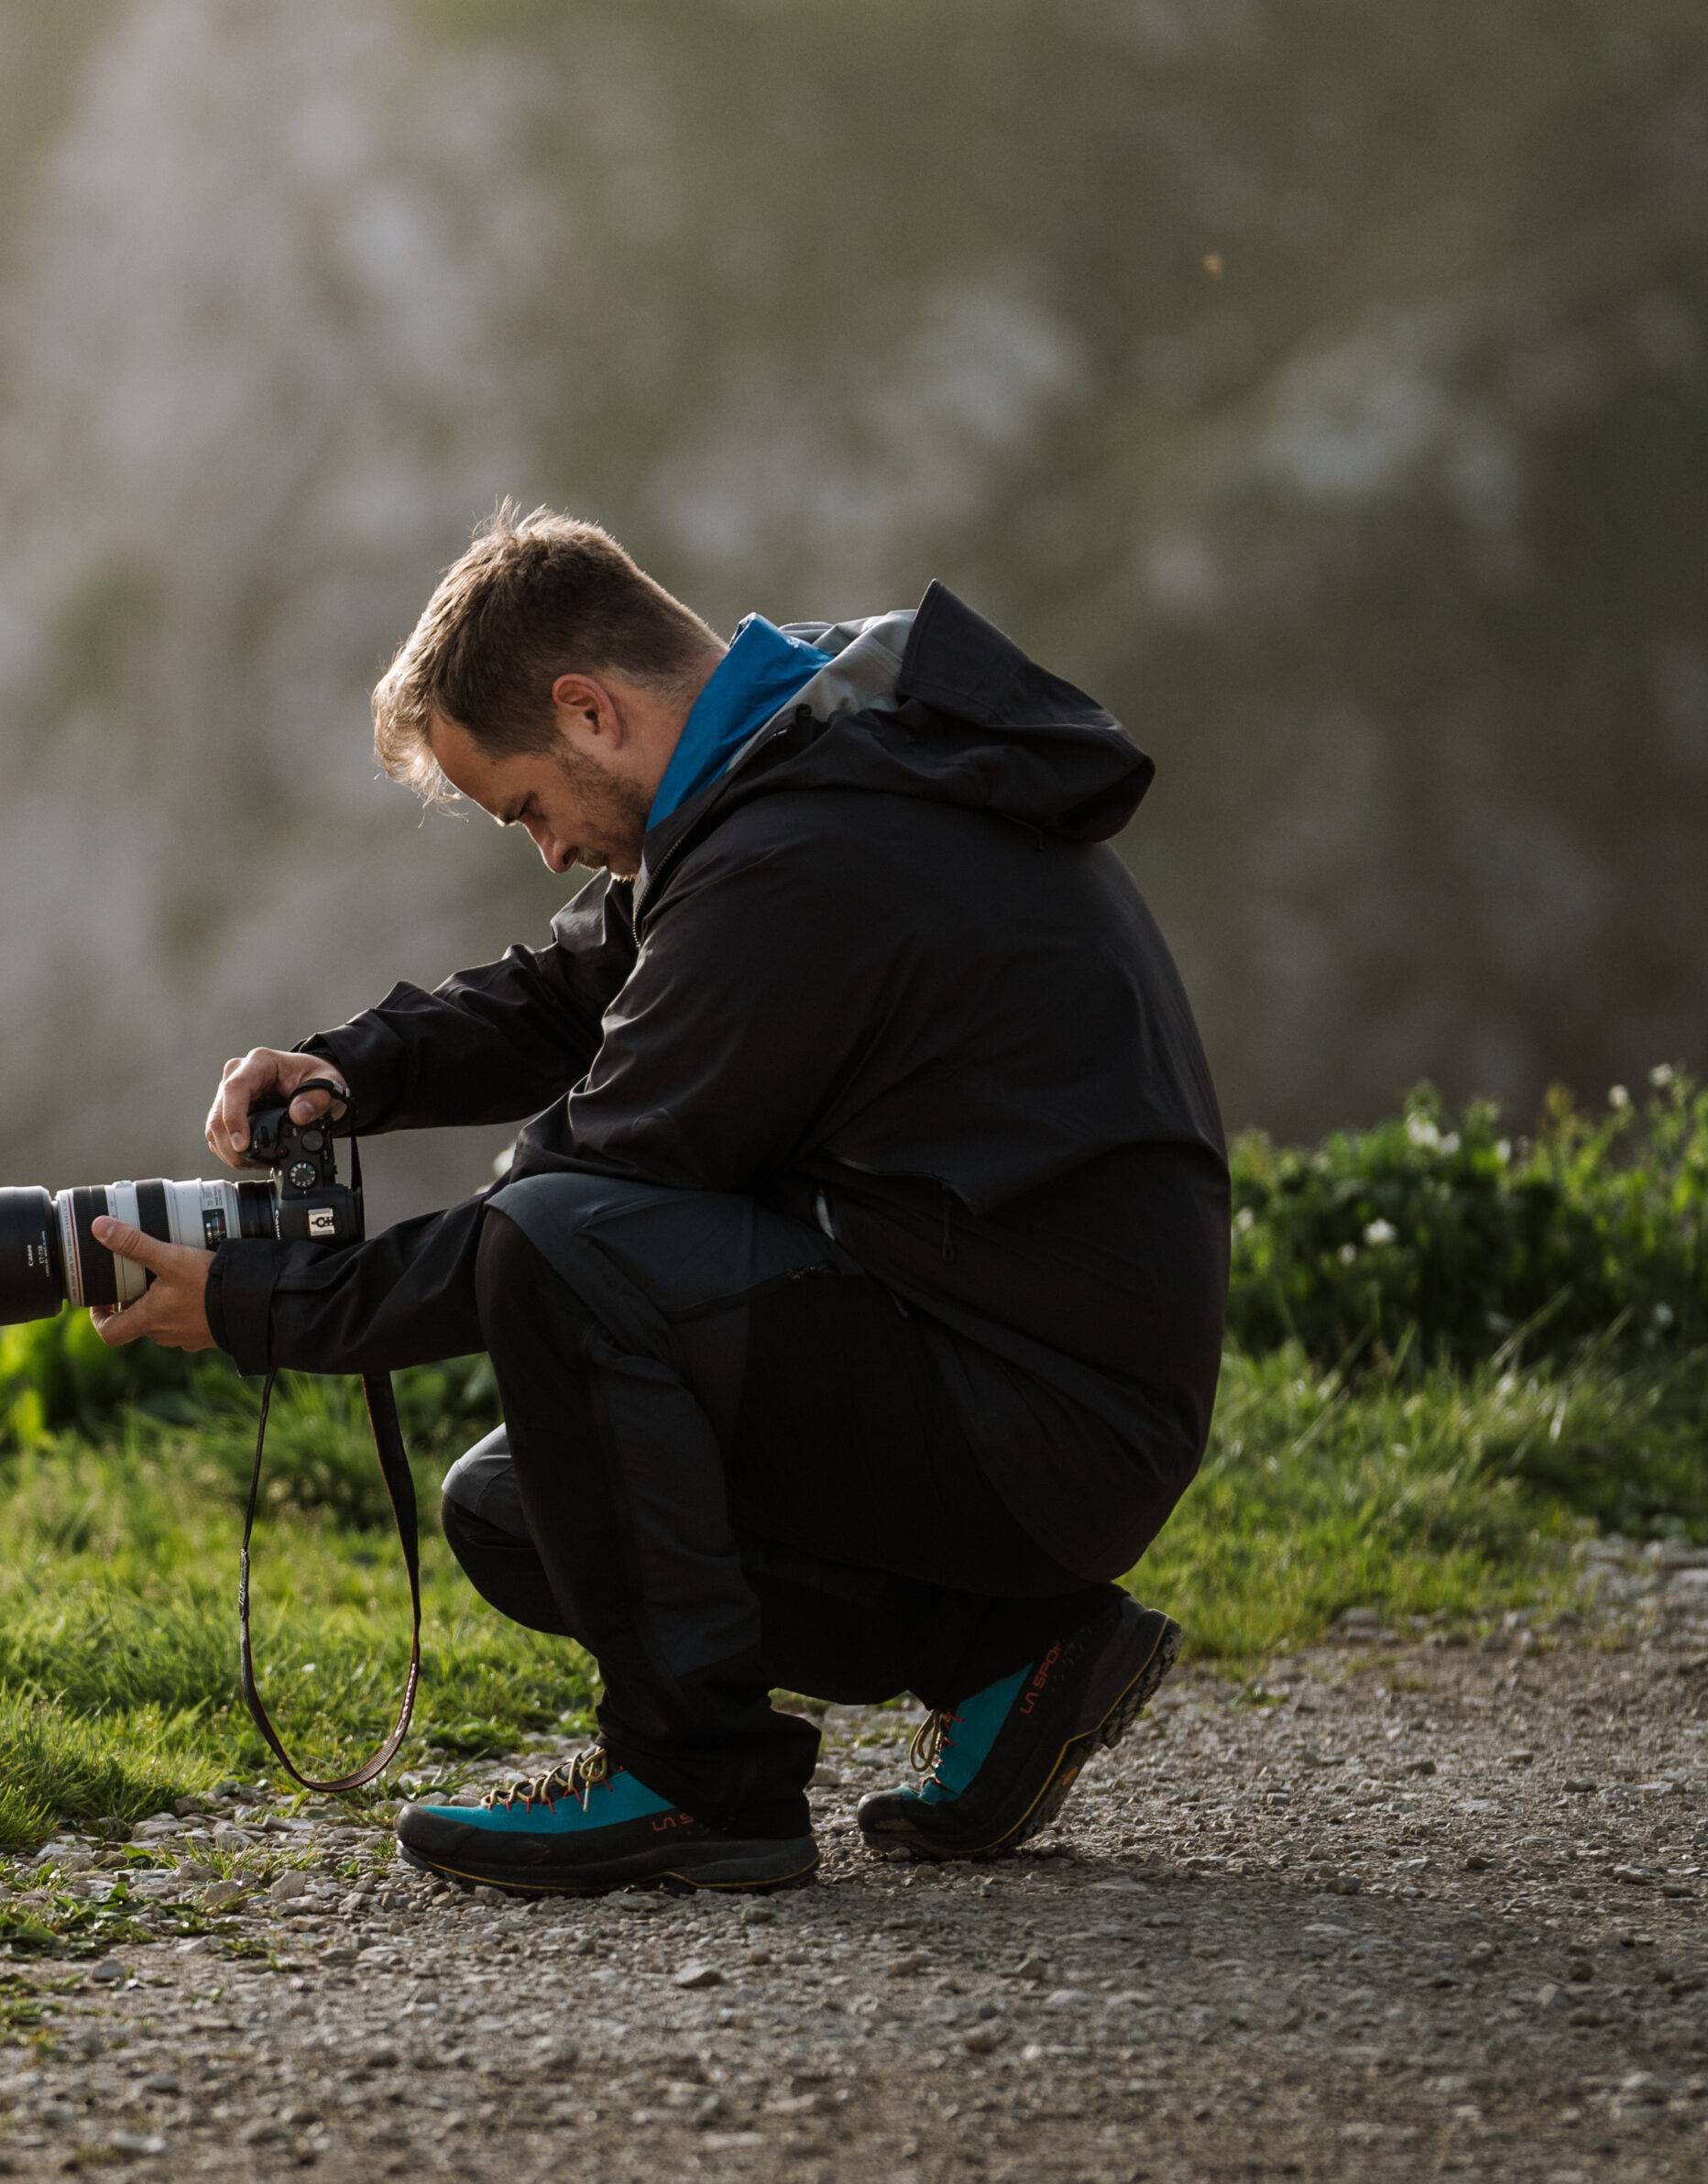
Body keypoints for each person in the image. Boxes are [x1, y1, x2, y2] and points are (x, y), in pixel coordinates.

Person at [88, 504, 1230, 1897]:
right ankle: (1016, 1655)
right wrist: (355, 1067)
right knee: (516, 1510)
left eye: (526, 807)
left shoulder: (804, 850)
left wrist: (264, 1305)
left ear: (590, 711)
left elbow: (568, 1212)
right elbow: (581, 983)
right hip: (1023, 1369)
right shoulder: (795, 746)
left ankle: (702, 1783)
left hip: (1046, 1420)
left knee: (564, 1238)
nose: (549, 850)